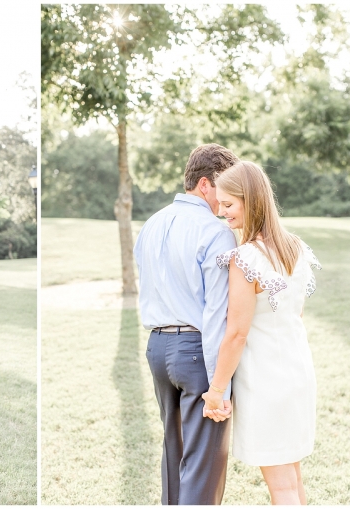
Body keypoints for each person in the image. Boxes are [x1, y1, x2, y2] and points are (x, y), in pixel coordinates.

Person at [201, 161, 321, 505]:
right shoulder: (294, 247)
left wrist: (217, 390)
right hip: (297, 372)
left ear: (251, 201)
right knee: (292, 478)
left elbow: (237, 333)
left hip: (267, 381)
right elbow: (295, 312)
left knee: (282, 487)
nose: (222, 212)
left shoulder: (245, 258)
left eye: (228, 204)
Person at [133, 143, 240, 505]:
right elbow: (215, 314)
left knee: (174, 453)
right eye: (225, 189)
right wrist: (219, 387)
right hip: (197, 351)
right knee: (202, 464)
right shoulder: (215, 231)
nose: (228, 199)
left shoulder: (151, 224)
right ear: (206, 184)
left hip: (157, 348)